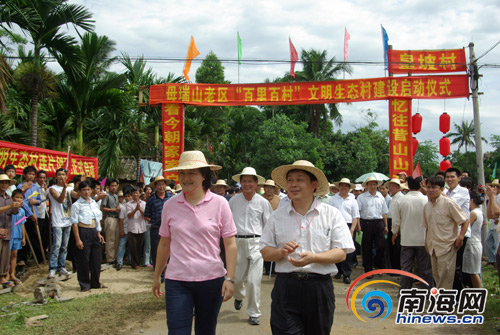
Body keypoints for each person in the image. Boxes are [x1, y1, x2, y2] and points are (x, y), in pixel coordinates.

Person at [260, 160, 354, 335]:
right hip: (286, 287)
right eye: (290, 180)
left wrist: (315, 258)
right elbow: (265, 251)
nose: (293, 184)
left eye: (299, 179)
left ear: (314, 185)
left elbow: (341, 252)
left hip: (319, 289)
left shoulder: (331, 214)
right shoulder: (277, 216)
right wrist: (281, 252)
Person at [152, 151, 237, 335]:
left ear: (204, 175)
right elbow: (164, 244)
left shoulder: (220, 204)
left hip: (211, 280)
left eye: (192, 173)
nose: (185, 178)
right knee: (177, 331)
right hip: (177, 280)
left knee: (205, 330)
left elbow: (230, 244)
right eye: (182, 173)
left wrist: (229, 278)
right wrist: (157, 276)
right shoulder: (170, 205)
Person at [230, 166, 272, 326]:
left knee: (254, 281)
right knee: (238, 278)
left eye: (250, 181)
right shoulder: (233, 201)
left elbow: (268, 225)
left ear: (256, 184)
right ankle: (238, 296)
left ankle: (254, 313)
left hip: (257, 243)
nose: (247, 184)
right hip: (238, 242)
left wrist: (268, 245)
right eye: (244, 181)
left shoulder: (263, 202)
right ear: (240, 183)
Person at [423, 176, 469, 289]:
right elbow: (427, 227)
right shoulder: (427, 206)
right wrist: (426, 242)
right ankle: (441, 302)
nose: (430, 190)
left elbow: (464, 220)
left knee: (446, 278)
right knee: (437, 276)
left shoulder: (448, 203)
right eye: (428, 187)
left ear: (442, 189)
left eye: (434, 187)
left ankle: (444, 304)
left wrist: (461, 237)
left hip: (447, 246)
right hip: (433, 246)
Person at [391, 176, 432, 291]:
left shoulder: (401, 200)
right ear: (421, 185)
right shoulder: (426, 200)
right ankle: (428, 291)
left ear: (408, 185)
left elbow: (396, 221)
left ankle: (404, 291)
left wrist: (394, 233)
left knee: (406, 268)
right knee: (425, 268)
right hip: (423, 239)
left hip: (407, 239)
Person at [71, 180, 106, 292]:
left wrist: (99, 233)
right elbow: (74, 223)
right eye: (84, 190)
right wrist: (78, 239)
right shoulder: (76, 205)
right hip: (83, 231)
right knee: (84, 260)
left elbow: (97, 219)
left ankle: (95, 282)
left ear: (91, 190)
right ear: (80, 191)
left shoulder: (93, 203)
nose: (86, 192)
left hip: (94, 232)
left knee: (96, 259)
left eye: (88, 189)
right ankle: (84, 284)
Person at [443, 167, 470, 291]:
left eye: (452, 177)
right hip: (449, 234)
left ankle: (458, 296)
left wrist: (437, 193)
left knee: (456, 267)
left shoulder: (462, 192)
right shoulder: (447, 192)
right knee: (449, 267)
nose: (449, 179)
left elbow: (449, 204)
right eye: (447, 177)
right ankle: (451, 294)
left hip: (461, 233)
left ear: (459, 178)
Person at [328, 177, 359, 284]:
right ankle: (338, 270)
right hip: (336, 225)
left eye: (346, 186)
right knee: (336, 248)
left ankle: (347, 274)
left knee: (348, 250)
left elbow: (355, 216)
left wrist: (352, 230)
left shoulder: (353, 200)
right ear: (338, 187)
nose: (344, 188)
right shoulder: (333, 199)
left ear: (349, 188)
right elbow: (329, 215)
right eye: (342, 186)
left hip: (349, 225)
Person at [357, 176, 389, 275]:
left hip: (379, 223)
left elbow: (384, 212)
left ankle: (378, 266)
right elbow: (357, 212)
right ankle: (368, 269)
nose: (373, 186)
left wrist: (386, 225)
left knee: (380, 246)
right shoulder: (361, 197)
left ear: (377, 186)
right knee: (367, 248)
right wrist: (358, 225)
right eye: (370, 184)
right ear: (367, 186)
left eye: (374, 184)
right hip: (366, 223)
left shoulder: (380, 197)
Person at [145, 176, 173, 276]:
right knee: (156, 252)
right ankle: (159, 274)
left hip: (170, 230)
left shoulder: (171, 197)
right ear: (155, 186)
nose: (161, 186)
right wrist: (156, 221)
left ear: (166, 185)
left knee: (171, 252)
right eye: (159, 184)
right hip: (156, 229)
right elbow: (147, 215)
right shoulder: (151, 199)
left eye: (163, 184)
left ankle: (170, 274)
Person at [47, 168, 73, 278]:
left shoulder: (69, 189)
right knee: (56, 245)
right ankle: (52, 267)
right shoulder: (52, 188)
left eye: (63, 174)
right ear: (56, 177)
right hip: (57, 221)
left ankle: (61, 266)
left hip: (68, 221)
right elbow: (60, 200)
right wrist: (65, 189)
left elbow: (78, 195)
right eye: (59, 174)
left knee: (64, 246)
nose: (61, 176)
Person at [17, 166, 41, 264]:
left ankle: (38, 258)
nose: (31, 176)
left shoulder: (36, 187)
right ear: (24, 175)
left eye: (32, 174)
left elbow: (39, 200)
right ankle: (22, 258)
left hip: (35, 214)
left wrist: (36, 201)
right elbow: (22, 202)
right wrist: (30, 214)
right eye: (29, 174)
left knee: (35, 236)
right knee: (23, 236)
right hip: (24, 216)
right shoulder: (20, 187)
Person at [0, 174, 20, 288]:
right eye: (2, 182)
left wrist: (16, 206)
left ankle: (2, 276)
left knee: (5, 255)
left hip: (7, 229)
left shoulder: (8, 197)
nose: (4, 185)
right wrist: (10, 206)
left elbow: (14, 213)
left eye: (6, 183)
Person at [463, 189, 484, 288]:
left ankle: (478, 292)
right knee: (474, 271)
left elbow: (467, 227)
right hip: (476, 242)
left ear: (471, 200)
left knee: (473, 272)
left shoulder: (473, 213)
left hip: (472, 244)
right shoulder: (479, 211)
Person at [100, 179, 121, 265]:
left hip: (116, 218)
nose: (114, 187)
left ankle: (115, 257)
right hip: (110, 218)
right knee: (110, 239)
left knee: (116, 239)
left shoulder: (116, 196)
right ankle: (110, 258)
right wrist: (113, 209)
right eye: (112, 185)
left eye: (115, 185)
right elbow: (102, 208)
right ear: (108, 186)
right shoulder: (106, 195)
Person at [126, 187, 146, 269]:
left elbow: (146, 215)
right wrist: (135, 209)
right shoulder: (128, 204)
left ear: (139, 194)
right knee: (133, 247)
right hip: (132, 228)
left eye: (136, 193)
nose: (135, 194)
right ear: (131, 194)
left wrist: (139, 209)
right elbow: (129, 215)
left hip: (141, 228)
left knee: (139, 246)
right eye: (133, 193)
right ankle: (134, 264)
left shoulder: (144, 203)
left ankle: (138, 262)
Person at [385, 178, 403, 270]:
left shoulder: (401, 198)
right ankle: (393, 267)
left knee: (396, 247)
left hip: (396, 223)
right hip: (390, 222)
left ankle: (396, 268)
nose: (391, 188)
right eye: (390, 186)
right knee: (391, 247)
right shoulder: (393, 197)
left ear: (399, 187)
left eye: (393, 186)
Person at [9, 189, 26, 286]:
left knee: (14, 254)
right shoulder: (9, 209)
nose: (18, 199)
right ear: (12, 198)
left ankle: (12, 273)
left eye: (20, 198)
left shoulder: (22, 211)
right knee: (7, 255)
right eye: (17, 197)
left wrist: (23, 237)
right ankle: (6, 274)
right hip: (10, 235)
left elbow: (22, 224)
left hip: (18, 235)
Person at [485, 179, 500, 266]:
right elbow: (490, 215)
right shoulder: (495, 197)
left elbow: (496, 212)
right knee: (489, 243)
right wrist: (491, 197)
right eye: (493, 186)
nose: (494, 188)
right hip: (495, 226)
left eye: (496, 186)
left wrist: (493, 197)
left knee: (495, 244)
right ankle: (493, 261)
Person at [36, 170, 50, 256]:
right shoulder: (34, 187)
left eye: (44, 178)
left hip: (45, 213)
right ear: (37, 178)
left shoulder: (45, 187)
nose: (42, 179)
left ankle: (44, 252)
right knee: (38, 235)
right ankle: (39, 255)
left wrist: (46, 190)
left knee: (46, 234)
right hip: (38, 213)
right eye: (40, 177)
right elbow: (39, 199)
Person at [116, 190, 131, 271]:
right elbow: (121, 220)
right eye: (126, 196)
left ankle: (130, 260)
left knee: (131, 246)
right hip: (125, 229)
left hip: (132, 229)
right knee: (122, 246)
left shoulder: (134, 205)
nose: (128, 198)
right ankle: (119, 262)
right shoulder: (123, 207)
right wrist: (121, 230)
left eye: (129, 196)